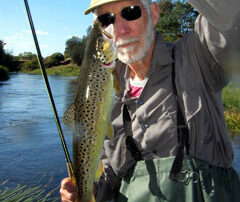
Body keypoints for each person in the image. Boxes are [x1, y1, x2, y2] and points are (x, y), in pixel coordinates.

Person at [60, 0, 240, 201]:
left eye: (130, 12)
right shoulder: (106, 94)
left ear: (154, 14)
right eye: (106, 19)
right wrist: (89, 191)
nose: (120, 29)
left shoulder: (198, 55)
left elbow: (230, 13)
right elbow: (111, 178)